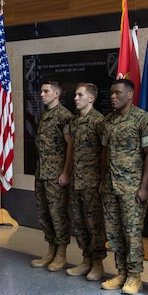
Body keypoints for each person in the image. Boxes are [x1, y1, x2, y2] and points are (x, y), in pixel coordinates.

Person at [101, 78, 148, 295]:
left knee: (132, 232)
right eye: (112, 94)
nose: (114, 97)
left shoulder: (144, 120)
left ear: (130, 95)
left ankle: (135, 276)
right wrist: (101, 180)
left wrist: (145, 186)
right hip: (111, 186)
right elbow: (105, 152)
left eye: (118, 93)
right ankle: (122, 271)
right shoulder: (108, 121)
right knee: (115, 231)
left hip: (133, 187)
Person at [31, 80, 73, 272]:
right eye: (41, 91)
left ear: (56, 94)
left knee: (58, 214)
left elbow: (70, 146)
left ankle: (61, 253)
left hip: (56, 175)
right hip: (42, 172)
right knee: (44, 213)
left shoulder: (64, 116)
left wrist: (65, 172)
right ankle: (51, 249)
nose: (42, 94)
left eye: (46, 91)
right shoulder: (45, 115)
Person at [66, 82, 107, 280]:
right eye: (75, 95)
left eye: (80, 95)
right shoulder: (74, 122)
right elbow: (71, 150)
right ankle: (86, 259)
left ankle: (98, 263)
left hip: (92, 182)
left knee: (94, 224)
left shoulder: (100, 122)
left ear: (91, 98)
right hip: (76, 181)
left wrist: (102, 180)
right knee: (79, 222)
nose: (76, 98)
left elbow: (105, 154)